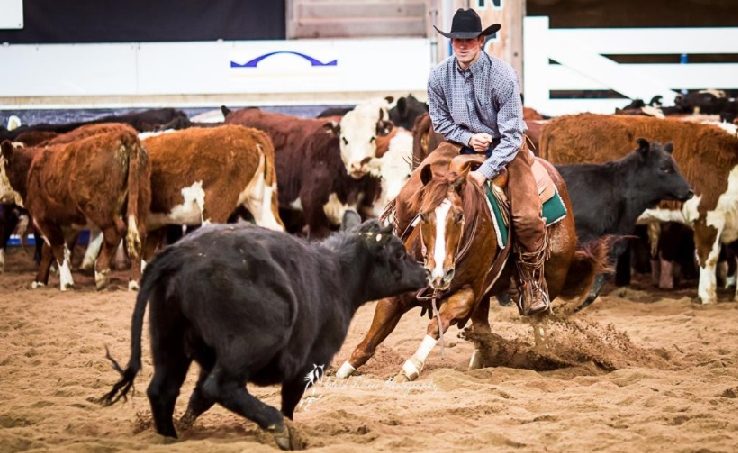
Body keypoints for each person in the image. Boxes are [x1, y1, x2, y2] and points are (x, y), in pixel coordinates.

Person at [428, 8, 548, 315]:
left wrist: (486, 172)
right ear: (451, 42)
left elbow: (512, 134)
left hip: (506, 148)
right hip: (460, 144)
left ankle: (533, 282)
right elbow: (439, 121)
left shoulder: (502, 75)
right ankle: (415, 253)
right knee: (422, 185)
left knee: (526, 216)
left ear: (481, 40)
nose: (463, 45)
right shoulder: (439, 75)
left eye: (469, 39)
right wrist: (468, 139)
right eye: (457, 40)